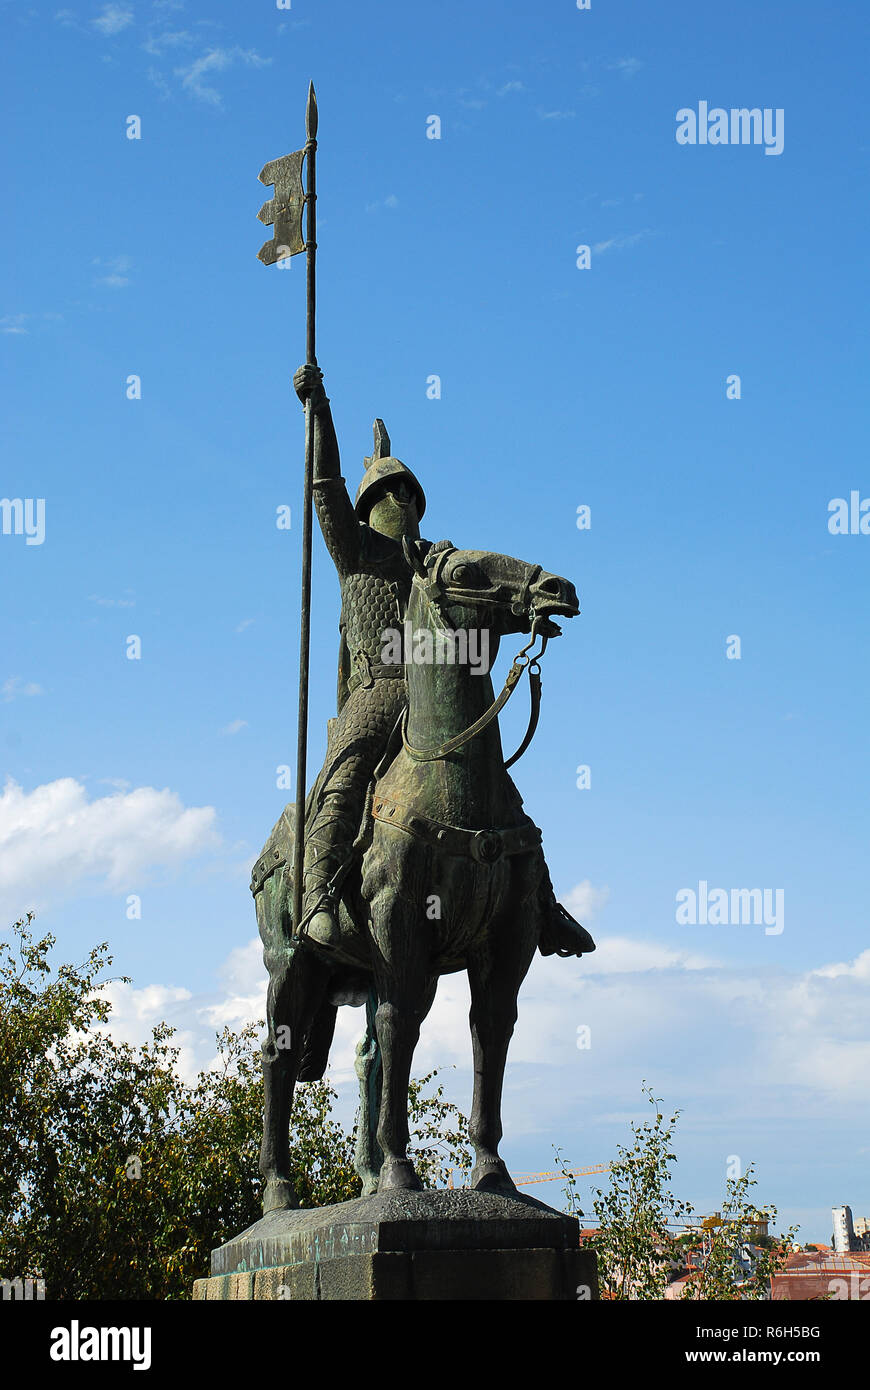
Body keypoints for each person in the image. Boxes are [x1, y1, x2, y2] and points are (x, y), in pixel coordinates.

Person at [293, 363, 593, 958]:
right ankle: (319, 897)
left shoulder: (439, 559)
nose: (397, 498)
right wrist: (318, 410)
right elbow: (323, 486)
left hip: (446, 694)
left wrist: (527, 609)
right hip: (380, 692)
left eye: (405, 491)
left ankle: (541, 904)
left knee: (498, 788)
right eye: (386, 492)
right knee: (345, 775)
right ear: (368, 505)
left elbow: (483, 596)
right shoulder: (355, 551)